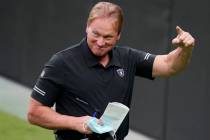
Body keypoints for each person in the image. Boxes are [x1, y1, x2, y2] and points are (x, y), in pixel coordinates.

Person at [27, 1, 195, 140]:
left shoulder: (127, 57)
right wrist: (77, 123)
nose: (100, 42)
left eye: (107, 37)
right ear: (87, 27)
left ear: (118, 35)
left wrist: (185, 49)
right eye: (95, 34)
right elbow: (34, 113)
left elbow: (169, 65)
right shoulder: (61, 63)